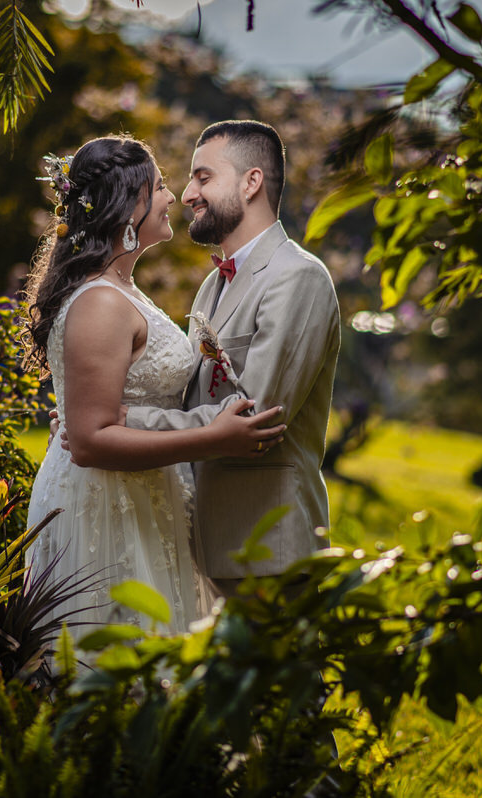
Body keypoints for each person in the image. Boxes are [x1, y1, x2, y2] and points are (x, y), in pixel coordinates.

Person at [22, 136, 286, 634]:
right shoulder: (100, 301)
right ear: (129, 205)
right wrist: (214, 438)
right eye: (161, 186)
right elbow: (89, 442)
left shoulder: (122, 289)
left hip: (144, 494)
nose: (173, 198)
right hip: (107, 503)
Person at [123, 120, 341, 599]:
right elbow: (193, 400)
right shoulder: (210, 286)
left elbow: (254, 416)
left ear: (251, 182)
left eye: (203, 177)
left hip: (269, 547)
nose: (186, 194)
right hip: (209, 545)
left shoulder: (297, 277)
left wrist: (126, 423)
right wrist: (98, 417)